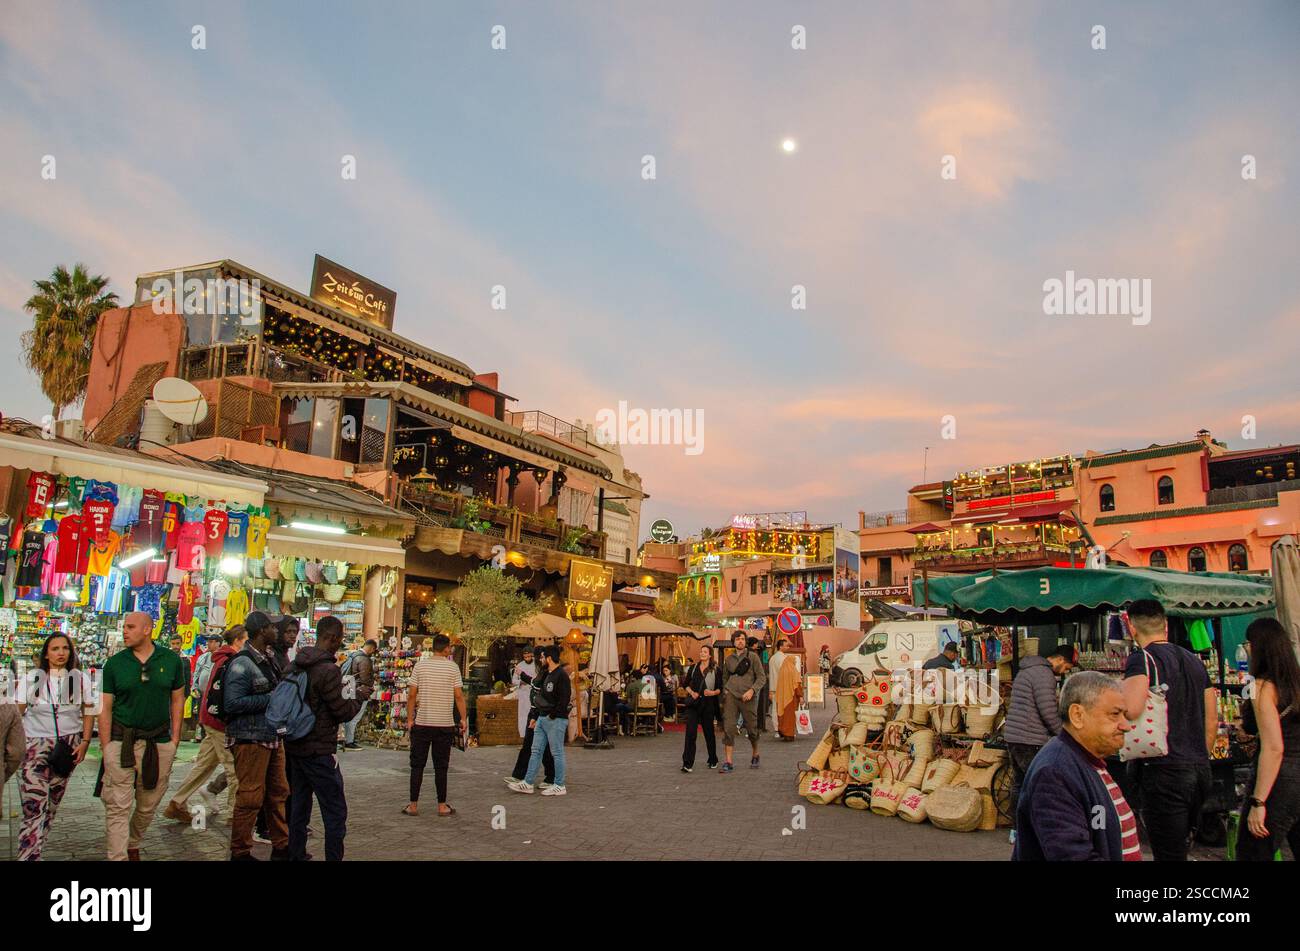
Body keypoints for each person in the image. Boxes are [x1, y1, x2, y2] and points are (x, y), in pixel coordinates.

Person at [1122, 599, 1214, 862]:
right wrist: (1199, 757)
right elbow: (1211, 720)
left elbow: (1132, 709)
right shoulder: (1195, 661)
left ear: (1131, 628)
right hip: (1199, 770)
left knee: (1168, 853)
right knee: (1182, 847)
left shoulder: (1142, 659)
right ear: (1165, 624)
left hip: (1163, 769)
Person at [1012, 671, 1140, 861]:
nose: (1126, 725)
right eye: (1115, 714)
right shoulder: (1055, 772)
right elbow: (1071, 854)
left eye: (1123, 714)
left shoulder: (1088, 761)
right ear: (1078, 715)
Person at [99, 611, 187, 861]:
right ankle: (118, 856)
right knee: (118, 805)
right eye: (124, 627)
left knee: (149, 802)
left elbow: (177, 699)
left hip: (158, 742)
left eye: (130, 627)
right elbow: (104, 707)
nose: (125, 631)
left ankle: (133, 841)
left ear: (147, 629)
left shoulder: (170, 661)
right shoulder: (115, 664)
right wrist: (106, 747)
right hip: (121, 740)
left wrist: (175, 738)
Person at [286, 616, 369, 860]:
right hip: (319, 749)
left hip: (295, 745)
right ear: (332, 638)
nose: (339, 644)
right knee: (334, 811)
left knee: (298, 806)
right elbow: (342, 711)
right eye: (339, 639)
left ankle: (296, 853)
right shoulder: (327, 670)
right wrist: (359, 697)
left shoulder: (295, 665)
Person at [17, 633, 95, 860]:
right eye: (55, 649)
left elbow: (88, 711)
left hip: (67, 747)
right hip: (34, 745)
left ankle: (36, 850)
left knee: (51, 806)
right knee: (34, 806)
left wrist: (85, 742)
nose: (60, 653)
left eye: (65, 648)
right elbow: (16, 713)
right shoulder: (32, 678)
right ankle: (28, 857)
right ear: (46, 653)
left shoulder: (80, 678)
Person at [223, 610, 290, 861]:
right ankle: (240, 851)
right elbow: (233, 703)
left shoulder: (269, 658)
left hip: (271, 734)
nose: (278, 631)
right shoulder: (242, 663)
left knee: (278, 791)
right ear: (262, 630)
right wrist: (271, 699)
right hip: (250, 737)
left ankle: (281, 846)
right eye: (273, 628)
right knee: (251, 796)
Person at [167, 625, 246, 825]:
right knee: (234, 769)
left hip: (211, 718)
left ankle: (177, 803)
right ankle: (234, 815)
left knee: (204, 766)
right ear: (238, 640)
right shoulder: (231, 660)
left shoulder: (220, 658)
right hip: (219, 722)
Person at [1237, 617, 1300, 861]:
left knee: (1253, 852)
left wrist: (1258, 802)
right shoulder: (1295, 683)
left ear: (1257, 647)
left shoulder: (1260, 686)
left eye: (1248, 643)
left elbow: (1274, 748)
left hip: (1279, 779)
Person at [1004, 645, 1077, 829]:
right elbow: (1048, 712)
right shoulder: (1044, 675)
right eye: (1067, 667)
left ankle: (1017, 828)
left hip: (1014, 736)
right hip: (1031, 738)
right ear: (1060, 659)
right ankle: (1036, 828)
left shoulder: (1027, 670)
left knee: (1019, 784)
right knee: (1038, 785)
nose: (1065, 671)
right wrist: (1064, 734)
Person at [403, 634, 466, 817]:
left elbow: (412, 695)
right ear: (446, 649)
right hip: (444, 724)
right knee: (441, 766)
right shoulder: (452, 668)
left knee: (417, 765)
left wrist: (409, 719)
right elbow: (459, 696)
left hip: (422, 723)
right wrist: (463, 719)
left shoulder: (420, 666)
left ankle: (413, 805)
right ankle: (441, 805)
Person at [507, 646, 571, 796]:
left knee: (557, 752)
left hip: (555, 719)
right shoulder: (547, 674)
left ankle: (559, 784)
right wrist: (536, 716)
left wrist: (552, 715)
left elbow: (564, 699)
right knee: (535, 750)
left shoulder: (561, 675)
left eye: (543, 658)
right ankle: (528, 782)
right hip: (542, 717)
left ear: (549, 658)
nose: (541, 660)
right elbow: (540, 696)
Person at [720, 629, 766, 772]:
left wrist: (752, 690)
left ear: (745, 642)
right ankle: (728, 762)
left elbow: (761, 677)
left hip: (748, 697)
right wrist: (726, 690)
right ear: (733, 642)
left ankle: (755, 753)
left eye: (742, 639)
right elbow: (725, 678)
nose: (740, 641)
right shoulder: (728, 659)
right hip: (731, 697)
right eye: (737, 639)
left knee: (752, 729)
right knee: (729, 728)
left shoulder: (753, 657)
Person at [681, 644, 723, 772]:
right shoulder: (693, 668)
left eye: (705, 652)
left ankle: (713, 759)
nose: (702, 653)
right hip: (693, 705)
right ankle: (687, 763)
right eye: (701, 652)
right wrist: (691, 692)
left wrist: (712, 693)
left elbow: (720, 689)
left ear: (710, 655)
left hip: (708, 705)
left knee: (709, 733)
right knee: (690, 733)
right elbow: (685, 684)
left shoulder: (716, 669)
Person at [339, 639, 377, 750]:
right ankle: (349, 741)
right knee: (355, 715)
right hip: (358, 690)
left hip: (347, 686)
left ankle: (344, 739)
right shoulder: (364, 659)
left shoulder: (351, 655)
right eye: (373, 650)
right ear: (371, 648)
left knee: (346, 714)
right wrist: (370, 685)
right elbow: (365, 678)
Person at [772, 641, 804, 740]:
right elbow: (797, 685)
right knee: (790, 717)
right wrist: (801, 696)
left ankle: (783, 732)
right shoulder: (793, 671)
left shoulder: (782, 670)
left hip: (782, 697)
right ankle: (789, 734)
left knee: (782, 715)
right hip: (791, 698)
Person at [512, 647, 538, 739]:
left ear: (532, 655)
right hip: (523, 693)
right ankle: (524, 736)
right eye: (525, 657)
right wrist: (521, 682)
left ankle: (535, 736)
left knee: (534, 714)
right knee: (523, 715)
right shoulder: (519, 665)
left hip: (534, 692)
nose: (527, 658)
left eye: (529, 656)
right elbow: (514, 680)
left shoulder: (537, 664)